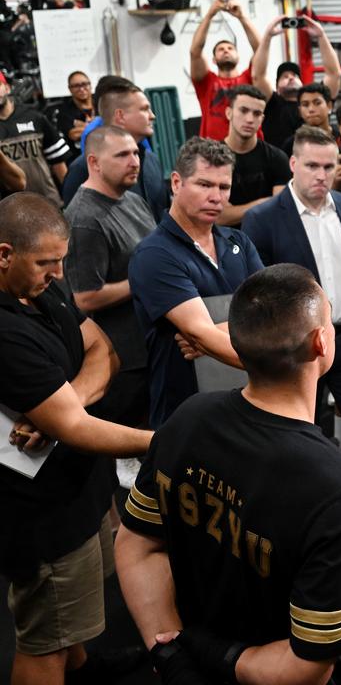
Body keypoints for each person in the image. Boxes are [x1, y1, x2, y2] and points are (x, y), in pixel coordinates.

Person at [115, 265, 341, 685]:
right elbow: (307, 667)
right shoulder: (340, 488)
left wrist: (171, 652)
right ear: (321, 342)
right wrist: (217, 656)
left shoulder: (186, 420)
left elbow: (135, 544)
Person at [0, 192, 152, 685]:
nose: (59, 275)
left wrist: (66, 403)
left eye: (60, 261)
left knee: (74, 615)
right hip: (38, 512)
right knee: (47, 638)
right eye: (46, 263)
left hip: (76, 490)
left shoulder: (42, 289)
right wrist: (167, 442)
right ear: (4, 255)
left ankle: (83, 671)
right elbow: (76, 430)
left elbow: (102, 350)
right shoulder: (5, 331)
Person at [242, 126, 341, 565]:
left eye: (329, 166)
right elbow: (256, 293)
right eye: (312, 165)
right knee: (304, 440)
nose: (321, 175)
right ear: (293, 164)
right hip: (293, 352)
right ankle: (309, 529)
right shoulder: (263, 218)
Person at [129, 137, 263, 429]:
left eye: (224, 187)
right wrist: (273, 364)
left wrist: (217, 331)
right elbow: (200, 333)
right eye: (204, 185)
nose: (216, 197)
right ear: (176, 183)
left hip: (246, 402)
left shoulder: (238, 241)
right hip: (186, 412)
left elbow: (270, 312)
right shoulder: (155, 254)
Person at [64, 125, 156, 438]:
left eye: (135, 152)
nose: (134, 161)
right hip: (123, 360)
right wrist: (146, 280)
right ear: (94, 163)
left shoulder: (132, 200)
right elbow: (85, 297)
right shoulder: (85, 219)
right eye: (122, 155)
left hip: (151, 345)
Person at [62, 80, 170, 222]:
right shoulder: (84, 168)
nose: (152, 116)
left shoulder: (151, 160)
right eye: (144, 109)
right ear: (120, 116)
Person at [252, 13, 341, 148]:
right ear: (276, 87)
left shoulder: (318, 97)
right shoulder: (272, 104)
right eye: (284, 76)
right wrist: (268, 36)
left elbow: (334, 74)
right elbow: (258, 76)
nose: (290, 77)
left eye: (294, 75)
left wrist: (321, 36)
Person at [190, 0, 261, 141]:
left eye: (230, 48)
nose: (226, 51)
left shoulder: (248, 78)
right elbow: (195, 52)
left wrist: (241, 17)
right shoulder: (206, 82)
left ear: (238, 56)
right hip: (213, 151)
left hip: (248, 147)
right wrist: (210, 15)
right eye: (220, 49)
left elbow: (261, 49)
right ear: (214, 60)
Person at [219, 85, 290, 226]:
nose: (250, 119)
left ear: (262, 119)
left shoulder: (277, 158)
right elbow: (219, 217)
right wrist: (264, 203)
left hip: (266, 240)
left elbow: (282, 210)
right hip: (224, 242)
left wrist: (234, 211)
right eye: (243, 111)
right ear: (229, 113)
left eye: (257, 113)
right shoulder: (212, 158)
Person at [0, 72, 69, 206]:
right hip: (11, 208)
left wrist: (69, 195)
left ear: (7, 88)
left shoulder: (33, 117)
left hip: (48, 201)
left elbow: (58, 161)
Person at [281, 82, 341, 156]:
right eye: (305, 104)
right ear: (300, 111)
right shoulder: (292, 144)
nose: (311, 109)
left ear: (329, 106)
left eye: (317, 103)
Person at [55, 71, 94, 161]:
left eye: (84, 84)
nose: (81, 88)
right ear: (70, 89)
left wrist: (85, 127)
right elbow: (74, 134)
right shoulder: (64, 111)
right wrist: (98, 125)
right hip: (79, 159)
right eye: (76, 86)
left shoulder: (100, 104)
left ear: (90, 85)